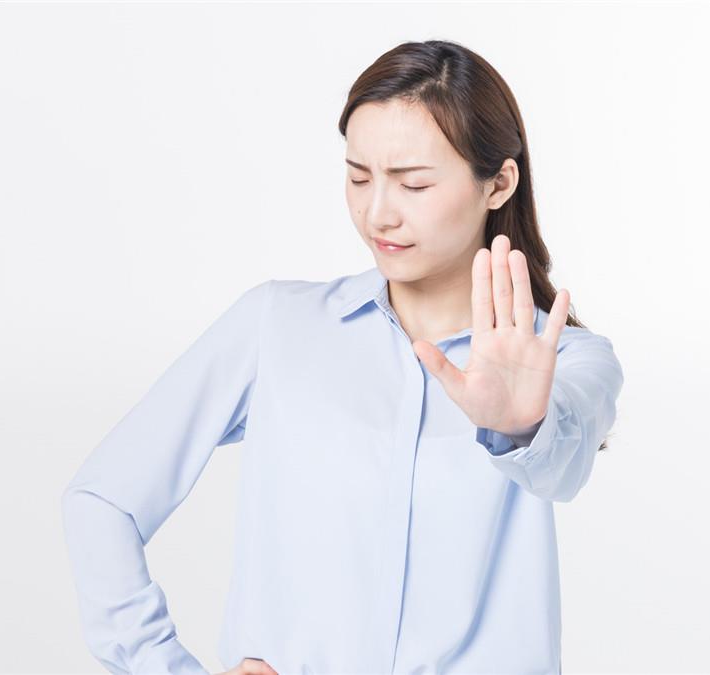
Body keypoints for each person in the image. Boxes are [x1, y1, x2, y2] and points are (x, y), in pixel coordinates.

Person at [61, 39, 624, 675]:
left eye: (413, 183)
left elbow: (561, 468)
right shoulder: (276, 325)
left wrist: (521, 429)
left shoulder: (571, 359)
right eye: (358, 176)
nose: (376, 212)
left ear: (498, 183)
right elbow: (103, 500)